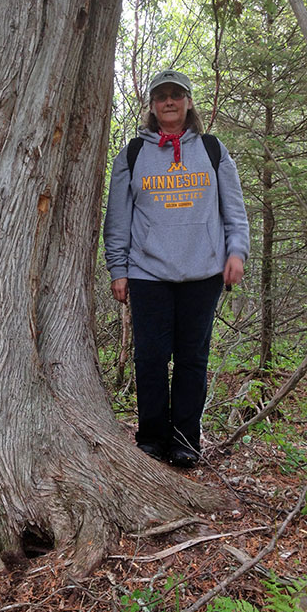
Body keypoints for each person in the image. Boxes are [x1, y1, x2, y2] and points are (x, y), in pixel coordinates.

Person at [103, 69, 249, 468]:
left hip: (202, 274)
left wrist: (236, 252)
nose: (169, 101)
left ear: (188, 102)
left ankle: (185, 441)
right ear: (152, 106)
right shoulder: (134, 153)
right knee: (149, 358)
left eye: (176, 94)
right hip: (148, 274)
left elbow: (234, 213)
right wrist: (118, 268)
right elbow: (117, 220)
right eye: (161, 95)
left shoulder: (213, 150)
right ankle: (151, 438)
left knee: (192, 360)